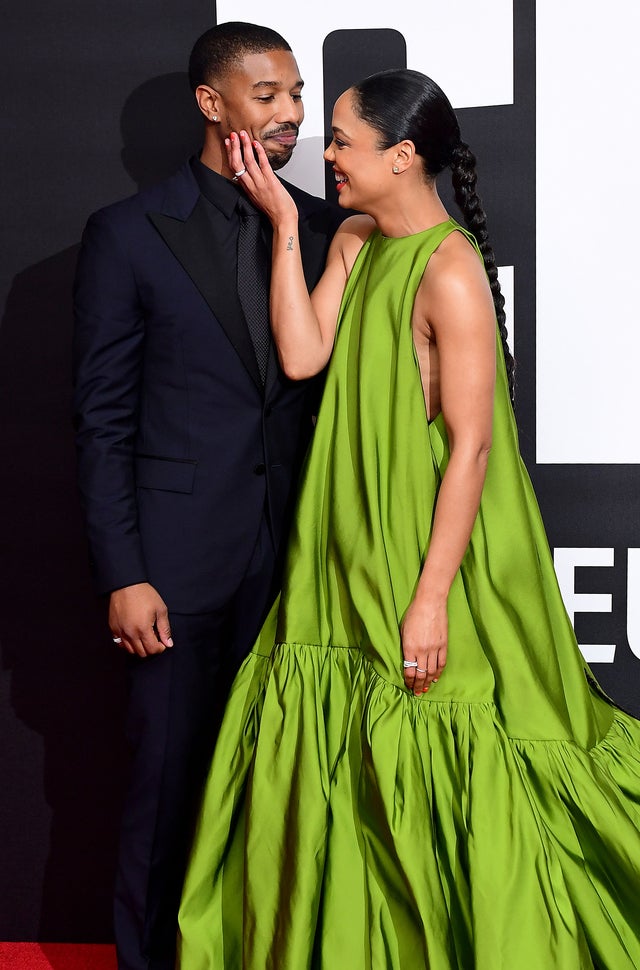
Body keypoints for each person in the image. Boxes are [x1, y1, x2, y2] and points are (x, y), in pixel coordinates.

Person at [176, 68, 640, 968]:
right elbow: (305, 354)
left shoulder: (452, 269)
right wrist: (282, 228)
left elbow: (470, 448)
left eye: (344, 142)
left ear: (403, 154)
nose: (328, 157)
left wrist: (430, 600)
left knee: (439, 728)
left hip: (428, 541)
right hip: (344, 532)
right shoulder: (353, 237)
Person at [72, 21, 343, 970]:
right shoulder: (128, 233)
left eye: (298, 96)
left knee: (282, 786)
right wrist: (126, 573)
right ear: (211, 102)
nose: (292, 116)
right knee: (166, 785)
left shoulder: (325, 227)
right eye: (269, 96)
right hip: (179, 567)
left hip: (306, 560)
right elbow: (102, 422)